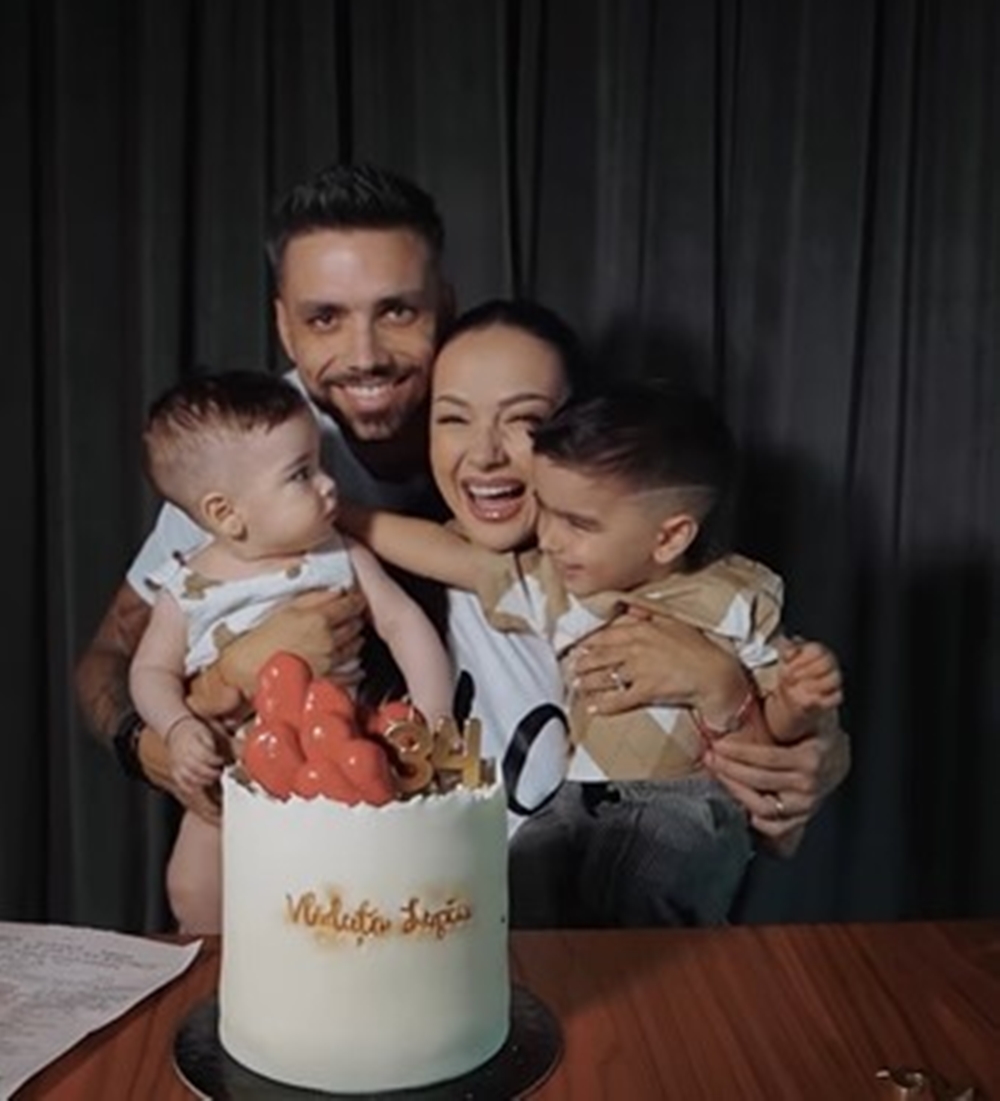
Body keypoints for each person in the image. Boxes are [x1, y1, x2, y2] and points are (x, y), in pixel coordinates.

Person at [73, 163, 850, 915]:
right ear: (283, 324)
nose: (365, 354)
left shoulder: (538, 427)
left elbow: (703, 612)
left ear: (444, 306)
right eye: (324, 318)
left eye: (397, 311)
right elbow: (112, 660)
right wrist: (202, 710)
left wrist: (782, 729)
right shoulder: (248, 452)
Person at [345, 316, 843, 924]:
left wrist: (735, 693)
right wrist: (335, 513)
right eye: (453, 418)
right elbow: (449, 556)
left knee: (640, 888)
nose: (486, 453)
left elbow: (780, 822)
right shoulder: (445, 587)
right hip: (463, 934)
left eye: (525, 421)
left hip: (669, 839)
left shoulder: (713, 593)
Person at [129, 370, 452, 930]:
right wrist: (178, 728)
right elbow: (150, 671)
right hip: (234, 768)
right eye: (301, 474)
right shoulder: (185, 588)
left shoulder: (338, 555)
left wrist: (431, 711)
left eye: (320, 465)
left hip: (338, 756)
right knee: (193, 885)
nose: (328, 485)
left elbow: (401, 622)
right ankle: (216, 965)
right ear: (226, 513)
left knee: (341, 889)